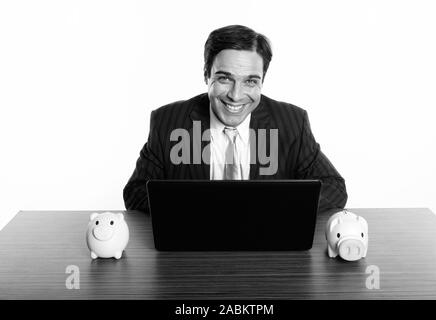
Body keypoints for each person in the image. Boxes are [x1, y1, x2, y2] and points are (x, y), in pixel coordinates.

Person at [123, 25, 347, 214]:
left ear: (262, 81)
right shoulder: (168, 122)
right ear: (206, 74)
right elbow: (135, 192)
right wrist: (200, 209)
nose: (236, 95)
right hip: (192, 249)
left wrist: (275, 208)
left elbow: (334, 188)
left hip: (267, 247)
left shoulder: (291, 122)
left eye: (250, 81)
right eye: (224, 78)